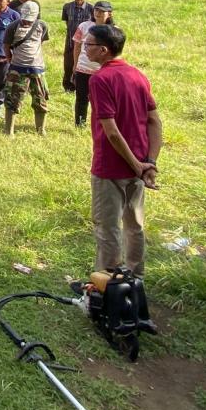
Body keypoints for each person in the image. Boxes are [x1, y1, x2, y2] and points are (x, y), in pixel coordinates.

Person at [84, 25, 162, 275]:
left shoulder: (100, 79)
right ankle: (135, 278)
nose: (85, 48)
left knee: (107, 228)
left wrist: (138, 165)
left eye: (89, 44)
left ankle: (108, 283)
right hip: (139, 164)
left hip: (110, 166)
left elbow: (112, 132)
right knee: (134, 225)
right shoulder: (138, 75)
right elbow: (155, 121)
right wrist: (148, 163)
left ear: (103, 50)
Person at [3, 0, 50, 136]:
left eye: (30, 20)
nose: (26, 22)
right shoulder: (12, 27)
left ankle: (41, 130)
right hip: (17, 69)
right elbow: (6, 46)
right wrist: (10, 59)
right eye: (25, 19)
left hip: (37, 69)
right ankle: (9, 131)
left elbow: (41, 42)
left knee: (40, 99)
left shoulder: (42, 25)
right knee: (12, 100)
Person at [72, 1, 115, 128]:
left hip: (103, 71)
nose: (98, 13)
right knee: (81, 98)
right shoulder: (84, 26)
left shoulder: (114, 30)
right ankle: (80, 124)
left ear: (109, 14)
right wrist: (75, 64)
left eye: (102, 11)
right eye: (96, 10)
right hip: (83, 68)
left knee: (102, 100)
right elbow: (77, 46)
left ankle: (102, 125)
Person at [61, 0, 94, 93]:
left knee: (84, 65)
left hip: (85, 44)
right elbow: (67, 22)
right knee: (68, 65)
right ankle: (68, 88)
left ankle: (83, 87)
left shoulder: (91, 8)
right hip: (70, 42)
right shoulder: (67, 7)